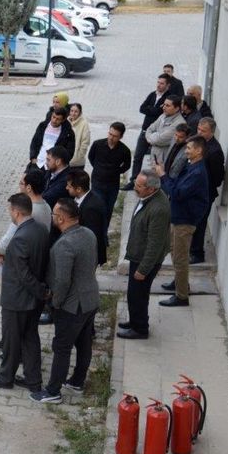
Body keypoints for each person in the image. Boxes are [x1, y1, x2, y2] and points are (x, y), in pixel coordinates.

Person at [30, 199, 100, 404]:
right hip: (91, 299)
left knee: (61, 347)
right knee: (84, 343)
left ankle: (53, 390)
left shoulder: (64, 245)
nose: (52, 217)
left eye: (53, 214)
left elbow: (62, 280)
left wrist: (56, 303)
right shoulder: (88, 234)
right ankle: (77, 381)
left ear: (61, 218)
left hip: (72, 306)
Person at [0, 193, 49, 391]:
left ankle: (5, 377)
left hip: (17, 300)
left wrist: (41, 291)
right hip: (33, 301)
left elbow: (24, 275)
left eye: (10, 210)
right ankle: (33, 380)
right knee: (30, 338)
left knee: (11, 340)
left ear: (17, 212)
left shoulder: (20, 237)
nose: (9, 213)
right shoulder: (41, 229)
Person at [154, 136, 209, 307]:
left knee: (180, 258)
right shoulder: (190, 165)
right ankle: (179, 282)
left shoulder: (197, 173)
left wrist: (162, 175)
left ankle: (181, 296)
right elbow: (176, 184)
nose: (186, 151)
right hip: (178, 215)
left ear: (199, 151)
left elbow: (177, 193)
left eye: (189, 148)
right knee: (174, 251)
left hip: (185, 220)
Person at [117, 171, 170, 340]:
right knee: (134, 293)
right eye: (136, 183)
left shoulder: (159, 209)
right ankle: (135, 321)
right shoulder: (148, 198)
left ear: (151, 188)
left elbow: (155, 244)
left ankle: (140, 329)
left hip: (145, 260)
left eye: (139, 186)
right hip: (137, 254)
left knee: (138, 294)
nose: (134, 187)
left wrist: (143, 269)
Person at [125, 73, 171, 190]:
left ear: (167, 85)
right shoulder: (152, 94)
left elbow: (158, 113)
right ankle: (134, 180)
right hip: (145, 130)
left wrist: (151, 110)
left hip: (158, 134)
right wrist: (153, 109)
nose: (159, 85)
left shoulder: (168, 98)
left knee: (156, 160)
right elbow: (142, 108)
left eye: (162, 83)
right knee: (138, 156)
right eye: (158, 82)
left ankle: (152, 185)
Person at [0, 169, 52, 261]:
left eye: (21, 183)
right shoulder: (47, 207)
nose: (19, 186)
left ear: (29, 188)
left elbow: (9, 238)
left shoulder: (26, 210)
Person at [190, 117, 225, 264]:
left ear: (212, 132)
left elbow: (217, 178)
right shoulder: (201, 143)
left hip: (205, 193)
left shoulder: (215, 151)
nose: (199, 132)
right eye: (198, 129)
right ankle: (192, 248)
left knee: (200, 223)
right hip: (195, 191)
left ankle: (198, 253)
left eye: (203, 131)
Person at [89, 122, 131, 231]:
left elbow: (127, 165)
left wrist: (116, 171)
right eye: (110, 134)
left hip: (112, 185)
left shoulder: (124, 150)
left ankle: (104, 233)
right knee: (98, 208)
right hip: (97, 183)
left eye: (115, 136)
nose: (111, 138)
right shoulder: (97, 144)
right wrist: (99, 169)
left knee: (108, 210)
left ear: (120, 137)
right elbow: (91, 157)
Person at [66, 170, 107, 266]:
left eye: (69, 186)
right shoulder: (79, 198)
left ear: (79, 189)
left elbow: (91, 237)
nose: (66, 188)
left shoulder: (91, 208)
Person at [145, 94, 185, 166]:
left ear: (177, 108)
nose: (163, 107)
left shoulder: (179, 123)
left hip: (165, 161)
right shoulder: (163, 116)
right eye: (164, 104)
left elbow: (160, 140)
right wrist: (155, 136)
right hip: (154, 158)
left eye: (167, 106)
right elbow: (149, 129)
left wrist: (152, 137)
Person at [67, 103, 91, 169]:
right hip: (65, 161)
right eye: (71, 111)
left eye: (76, 111)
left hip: (77, 163)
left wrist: (79, 156)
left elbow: (85, 142)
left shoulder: (84, 124)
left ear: (80, 113)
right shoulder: (66, 122)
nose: (73, 113)